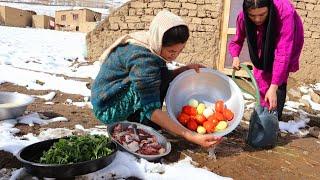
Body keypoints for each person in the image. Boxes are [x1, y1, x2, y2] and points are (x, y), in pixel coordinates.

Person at [91, 10, 221, 147]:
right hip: (108, 106)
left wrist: (184, 69)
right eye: (171, 51)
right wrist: (191, 136)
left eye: (180, 51)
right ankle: (136, 121)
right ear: (159, 42)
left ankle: (142, 119)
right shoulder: (143, 59)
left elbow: (158, 76)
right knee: (149, 85)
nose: (175, 56)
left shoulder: (149, 43)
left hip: (116, 92)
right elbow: (151, 109)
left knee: (159, 75)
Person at [229, 0, 304, 120]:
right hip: (263, 36)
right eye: (252, 15)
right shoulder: (243, 17)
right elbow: (237, 39)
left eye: (262, 14)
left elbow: (283, 52)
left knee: (279, 77)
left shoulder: (284, 12)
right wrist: (235, 56)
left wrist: (274, 87)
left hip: (286, 34)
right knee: (261, 72)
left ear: (269, 8)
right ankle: (263, 111)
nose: (257, 20)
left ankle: (274, 117)